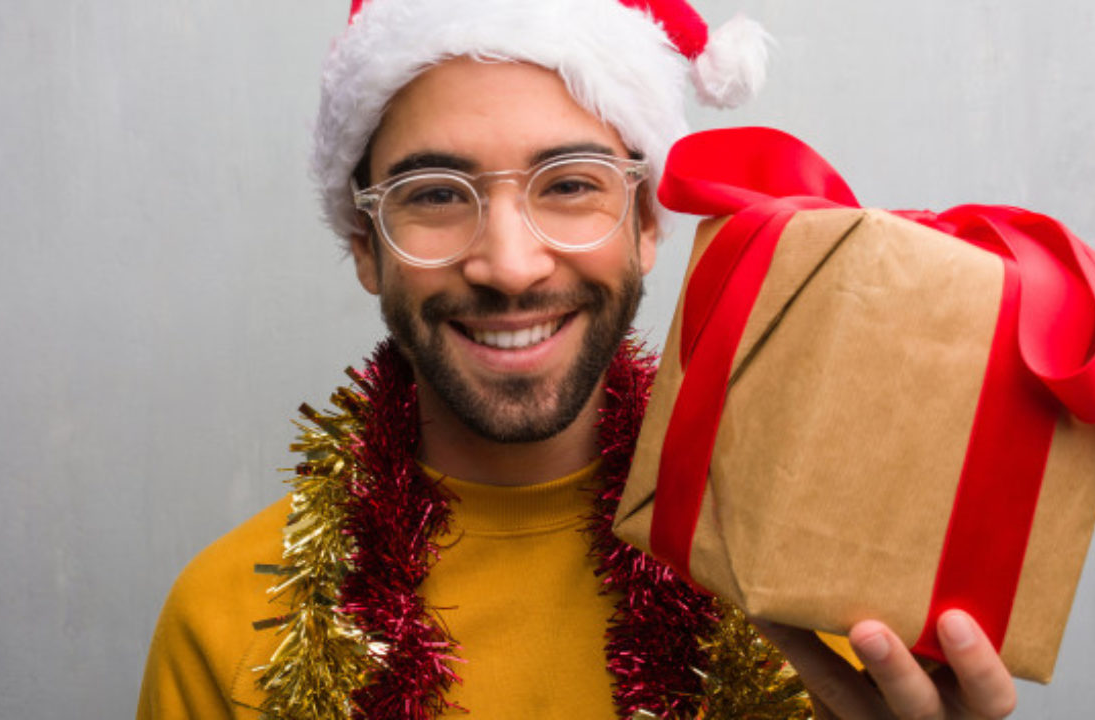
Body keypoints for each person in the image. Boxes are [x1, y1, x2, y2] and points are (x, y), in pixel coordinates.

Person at [137, 1, 1019, 718]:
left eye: (569, 185)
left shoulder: (824, 608)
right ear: (365, 244)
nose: (510, 265)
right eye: (436, 194)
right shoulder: (228, 624)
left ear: (645, 224)